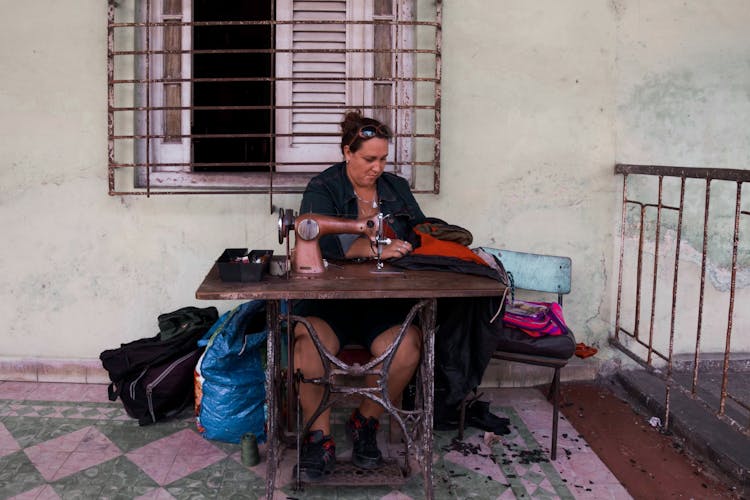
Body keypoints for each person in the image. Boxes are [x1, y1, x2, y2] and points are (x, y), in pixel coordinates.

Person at [292, 110, 426, 481]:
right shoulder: (323, 188)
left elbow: (419, 233)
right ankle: (320, 437)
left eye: (383, 159)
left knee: (408, 347)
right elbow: (319, 239)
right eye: (369, 159)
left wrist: (425, 242)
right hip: (329, 300)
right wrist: (373, 249)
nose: (377, 167)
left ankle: (365, 421)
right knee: (307, 345)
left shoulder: (395, 188)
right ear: (347, 152)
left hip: (381, 302)